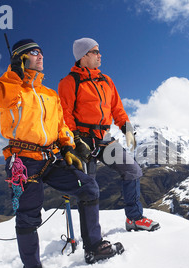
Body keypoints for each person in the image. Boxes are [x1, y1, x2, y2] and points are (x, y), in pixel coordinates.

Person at [0, 39, 123, 268]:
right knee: (28, 215)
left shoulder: (49, 94)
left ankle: (93, 246)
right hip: (22, 161)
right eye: (33, 52)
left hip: (50, 157)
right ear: (20, 58)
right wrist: (14, 73)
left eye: (41, 51)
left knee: (89, 187)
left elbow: (61, 125)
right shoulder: (12, 89)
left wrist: (68, 145)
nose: (40, 56)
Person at [58, 37, 160, 232]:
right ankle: (92, 236)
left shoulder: (107, 81)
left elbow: (117, 108)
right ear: (83, 56)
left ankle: (134, 218)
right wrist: (76, 139)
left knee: (132, 170)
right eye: (95, 52)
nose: (99, 55)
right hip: (83, 140)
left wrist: (127, 127)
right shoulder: (69, 82)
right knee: (89, 187)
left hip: (104, 139)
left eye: (98, 51)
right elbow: (65, 114)